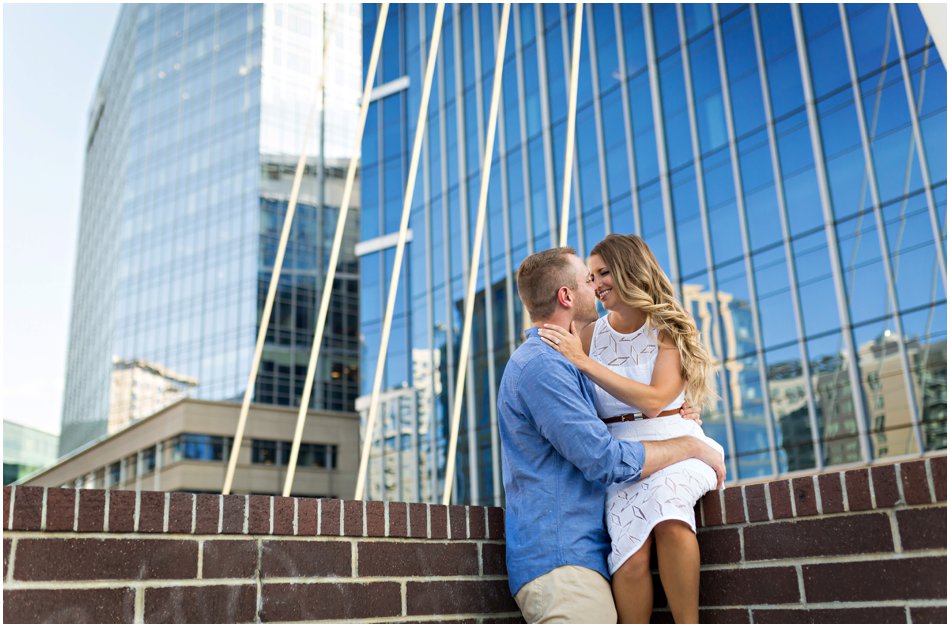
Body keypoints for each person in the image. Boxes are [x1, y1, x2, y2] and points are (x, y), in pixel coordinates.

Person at [498, 246, 725, 624]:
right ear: (566, 296)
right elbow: (604, 458)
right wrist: (687, 444)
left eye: (602, 275)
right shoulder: (547, 365)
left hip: (576, 555)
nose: (596, 286)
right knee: (631, 558)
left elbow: (634, 405)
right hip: (562, 561)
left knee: (671, 520)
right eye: (589, 278)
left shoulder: (561, 360)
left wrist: (678, 412)